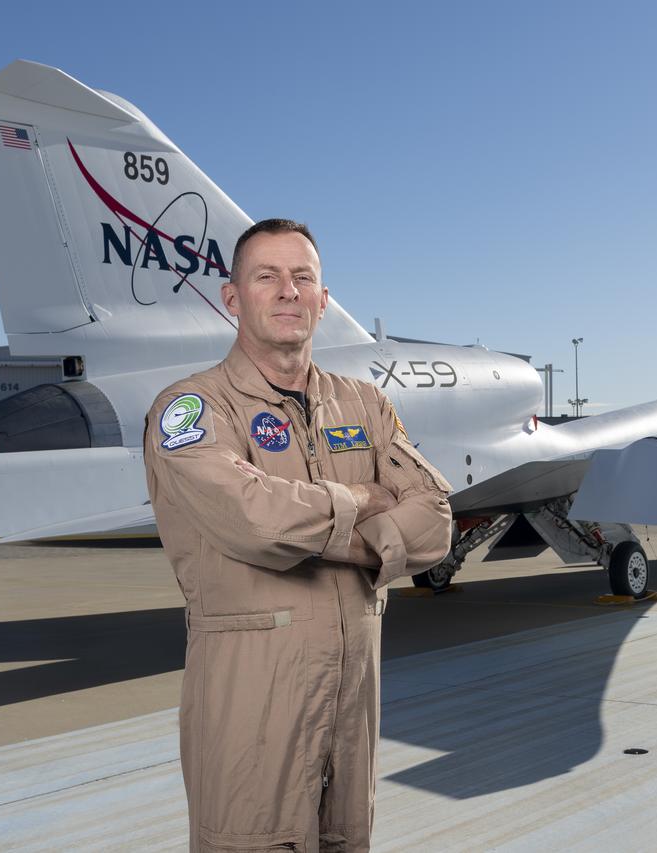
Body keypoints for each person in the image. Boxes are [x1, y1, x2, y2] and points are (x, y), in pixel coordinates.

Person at [143, 218, 453, 852]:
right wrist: (365, 502)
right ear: (233, 299)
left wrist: (319, 530)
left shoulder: (364, 404)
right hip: (251, 713)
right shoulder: (193, 409)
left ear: (322, 299)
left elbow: (437, 517)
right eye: (267, 277)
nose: (287, 291)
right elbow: (257, 521)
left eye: (302, 277)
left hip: (351, 706)